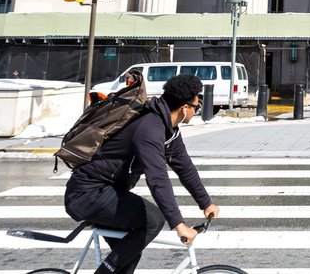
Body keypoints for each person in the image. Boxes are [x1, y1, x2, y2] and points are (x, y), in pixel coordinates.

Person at [64, 74, 220, 274]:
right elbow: (157, 179)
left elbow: (184, 166)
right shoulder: (149, 128)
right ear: (184, 108)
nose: (196, 112)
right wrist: (179, 224)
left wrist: (205, 203)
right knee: (153, 220)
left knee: (129, 254)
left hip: (107, 191)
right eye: (196, 108)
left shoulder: (167, 129)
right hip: (88, 194)